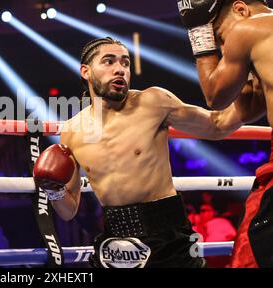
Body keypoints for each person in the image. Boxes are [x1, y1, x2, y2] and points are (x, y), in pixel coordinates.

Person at [32, 37, 263, 268]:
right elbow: (68, 211)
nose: (120, 69)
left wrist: (256, 84)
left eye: (125, 63)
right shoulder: (72, 130)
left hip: (167, 232)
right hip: (114, 238)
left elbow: (217, 125)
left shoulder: (153, 102)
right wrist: (54, 190)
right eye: (109, 62)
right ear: (86, 71)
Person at [178, 0, 272, 267]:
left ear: (241, 10)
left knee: (249, 257)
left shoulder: (248, 29)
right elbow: (226, 119)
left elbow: (215, 96)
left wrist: (199, 33)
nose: (222, 50)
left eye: (219, 37)